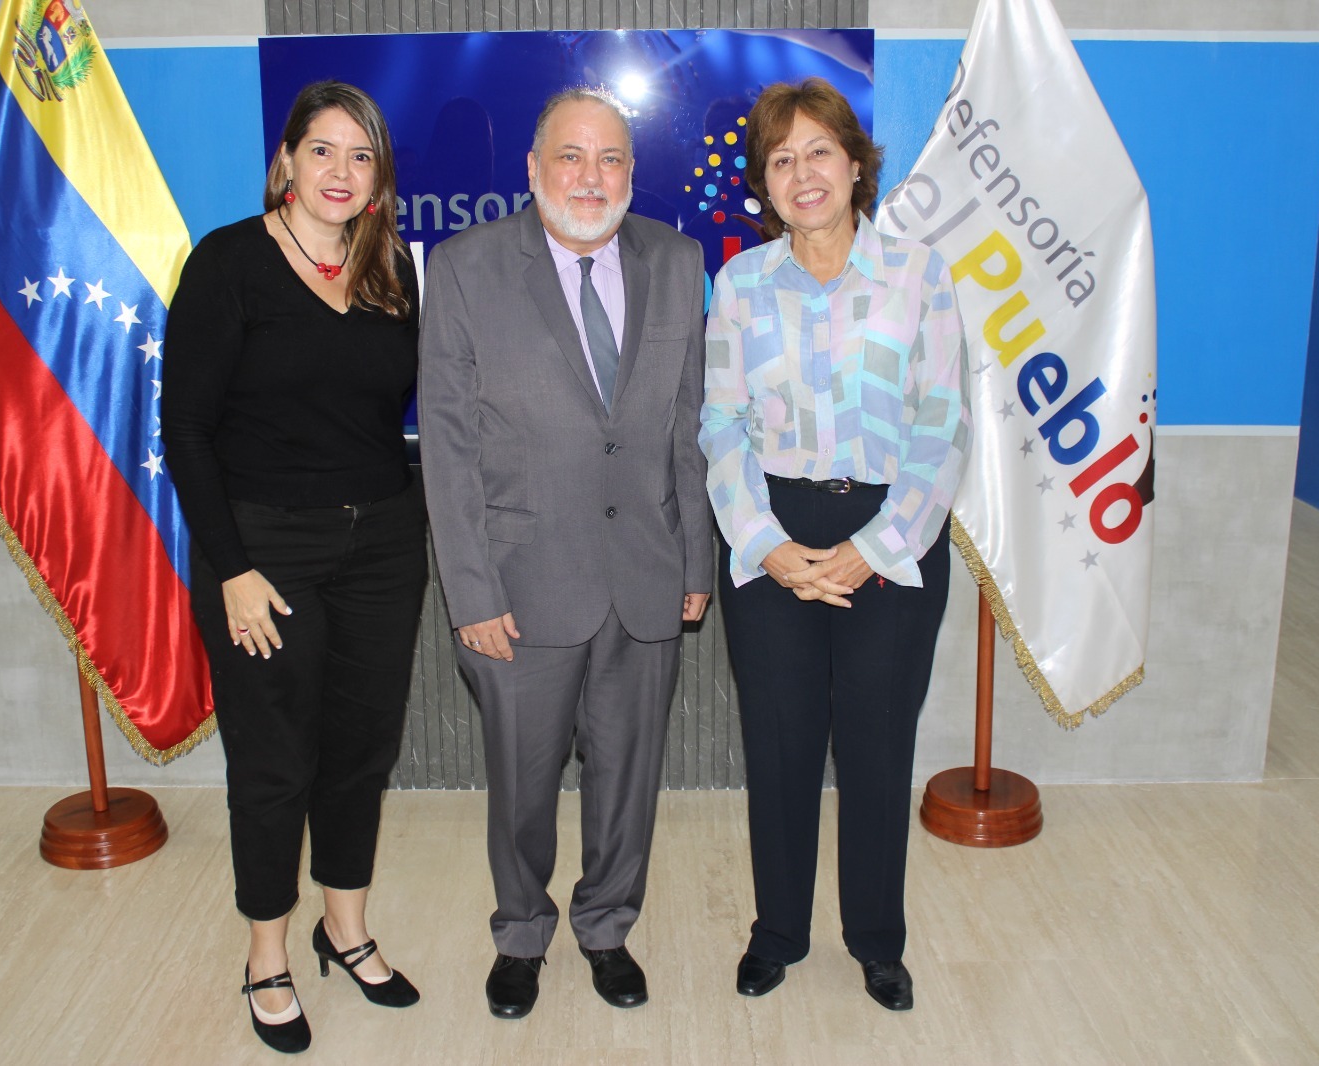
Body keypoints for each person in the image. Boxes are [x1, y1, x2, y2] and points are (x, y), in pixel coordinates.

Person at [417, 86, 711, 1020]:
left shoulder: (677, 261)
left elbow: (688, 427)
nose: (592, 177)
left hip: (647, 575)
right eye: (572, 157)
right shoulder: (464, 268)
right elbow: (448, 445)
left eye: (611, 158)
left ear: (632, 171)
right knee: (522, 783)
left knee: (629, 777)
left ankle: (607, 926)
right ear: (533, 168)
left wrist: (696, 563)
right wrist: (469, 591)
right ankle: (520, 933)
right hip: (518, 583)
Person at [160, 81, 426, 1054]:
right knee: (275, 763)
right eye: (323, 150)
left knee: (361, 751)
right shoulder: (228, 261)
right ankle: (265, 953)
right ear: (286, 162)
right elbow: (186, 428)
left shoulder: (392, 269)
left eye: (361, 156)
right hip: (264, 551)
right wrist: (229, 567)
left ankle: (344, 929)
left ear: (379, 176)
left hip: (384, 544)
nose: (340, 172)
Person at [699, 78, 972, 1012]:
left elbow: (943, 422)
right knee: (778, 747)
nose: (802, 173)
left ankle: (877, 941)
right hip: (773, 532)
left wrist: (879, 547)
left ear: (856, 164)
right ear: (764, 185)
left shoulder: (921, 275)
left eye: (819, 151)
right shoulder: (741, 285)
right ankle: (778, 932)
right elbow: (721, 422)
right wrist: (765, 544)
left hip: (893, 535)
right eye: (781, 159)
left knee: (876, 747)